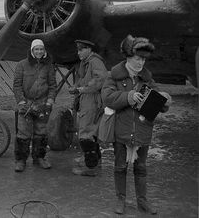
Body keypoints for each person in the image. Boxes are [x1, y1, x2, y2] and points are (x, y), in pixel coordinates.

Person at [101, 35, 172, 215]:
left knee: (141, 168)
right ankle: (120, 200)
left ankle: (142, 201)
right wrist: (128, 96)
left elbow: (157, 99)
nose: (141, 63)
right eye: (137, 59)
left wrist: (165, 100)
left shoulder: (147, 78)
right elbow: (107, 98)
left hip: (142, 131)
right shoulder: (113, 76)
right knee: (120, 167)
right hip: (121, 131)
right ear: (128, 58)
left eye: (143, 59)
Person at [13, 39, 57, 172]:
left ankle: (39, 158)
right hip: (26, 103)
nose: (39, 52)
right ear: (32, 50)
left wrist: (50, 101)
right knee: (23, 133)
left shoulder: (48, 66)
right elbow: (17, 85)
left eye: (41, 49)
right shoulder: (21, 65)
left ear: (44, 51)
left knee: (41, 132)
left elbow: (52, 85)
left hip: (42, 103)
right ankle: (21, 160)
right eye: (36, 49)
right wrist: (21, 101)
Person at [69, 39, 108, 176]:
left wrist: (83, 89)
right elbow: (82, 78)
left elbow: (101, 79)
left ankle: (90, 167)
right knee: (92, 131)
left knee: (86, 133)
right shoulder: (85, 63)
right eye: (78, 50)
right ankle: (95, 162)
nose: (78, 52)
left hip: (92, 100)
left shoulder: (94, 62)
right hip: (88, 98)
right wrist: (75, 87)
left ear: (89, 50)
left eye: (81, 49)